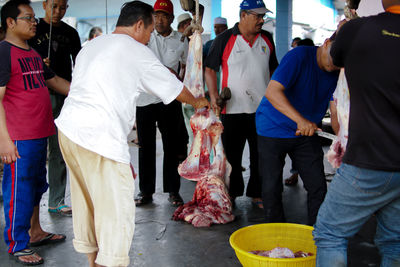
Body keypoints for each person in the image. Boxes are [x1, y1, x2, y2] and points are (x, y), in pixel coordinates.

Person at [56, 2, 208, 266]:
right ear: (139, 25)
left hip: (69, 132)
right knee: (116, 211)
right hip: (98, 138)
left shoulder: (92, 45)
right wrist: (199, 102)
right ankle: (108, 262)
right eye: (149, 30)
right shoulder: (136, 50)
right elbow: (173, 88)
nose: (149, 37)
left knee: (88, 203)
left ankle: (93, 261)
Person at [313, 1, 400, 265]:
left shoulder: (358, 30)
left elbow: (329, 61)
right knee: (395, 240)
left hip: (370, 160)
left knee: (330, 233)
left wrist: (342, 31)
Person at [0, 0, 71, 265]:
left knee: (37, 186)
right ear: (10, 22)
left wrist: (88, 92)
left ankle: (35, 231)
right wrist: (4, 141)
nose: (34, 22)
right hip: (19, 137)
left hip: (40, 133)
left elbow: (55, 82)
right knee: (19, 190)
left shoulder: (31, 54)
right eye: (28, 18)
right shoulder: (4, 52)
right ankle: (18, 244)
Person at [255, 33, 339, 225]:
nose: (334, 66)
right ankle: (276, 234)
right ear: (326, 44)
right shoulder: (299, 56)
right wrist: (300, 120)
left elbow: (336, 110)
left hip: (307, 133)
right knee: (271, 186)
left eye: (339, 63)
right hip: (273, 128)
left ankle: (318, 235)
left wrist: (342, 138)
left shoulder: (339, 70)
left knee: (317, 185)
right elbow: (272, 91)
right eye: (333, 59)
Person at [205, 0, 278, 209]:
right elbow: (210, 69)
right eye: (258, 16)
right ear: (243, 15)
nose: (262, 20)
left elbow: (274, 70)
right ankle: (232, 194)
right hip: (233, 109)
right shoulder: (225, 39)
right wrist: (213, 96)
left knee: (260, 155)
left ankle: (257, 193)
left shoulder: (267, 38)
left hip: (262, 110)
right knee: (232, 157)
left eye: (263, 16)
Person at [28, 0, 81, 216]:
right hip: (37, 96)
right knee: (36, 150)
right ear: (44, 5)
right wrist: (38, 63)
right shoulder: (32, 29)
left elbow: (80, 63)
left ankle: (56, 200)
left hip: (63, 95)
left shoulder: (71, 33)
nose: (57, 12)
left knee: (59, 148)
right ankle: (30, 205)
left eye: (62, 7)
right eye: (54, 6)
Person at [134, 0, 189, 207]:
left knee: (172, 146)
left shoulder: (180, 40)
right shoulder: (145, 38)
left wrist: (180, 85)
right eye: (156, 15)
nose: (159, 19)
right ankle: (145, 192)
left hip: (170, 100)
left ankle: (173, 191)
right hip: (145, 99)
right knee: (145, 147)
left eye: (164, 15)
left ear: (172, 19)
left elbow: (185, 65)